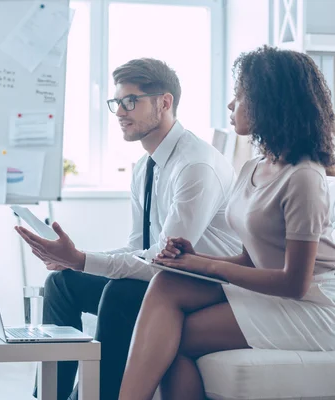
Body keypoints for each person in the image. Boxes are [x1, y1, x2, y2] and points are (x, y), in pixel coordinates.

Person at [118, 45, 335, 400]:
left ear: (270, 101)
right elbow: (250, 261)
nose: (231, 105)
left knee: (170, 340)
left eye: (240, 95)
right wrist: (189, 260)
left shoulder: (304, 178)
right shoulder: (253, 167)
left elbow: (295, 283)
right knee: (166, 284)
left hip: (316, 305)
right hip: (276, 291)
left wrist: (205, 265)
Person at [16, 58, 241, 400]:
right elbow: (139, 246)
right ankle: (50, 396)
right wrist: (77, 262)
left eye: (131, 101)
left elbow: (167, 261)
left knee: (121, 293)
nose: (120, 111)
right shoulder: (144, 167)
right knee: (62, 284)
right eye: (117, 102)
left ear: (164, 103)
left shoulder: (195, 165)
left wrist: (82, 258)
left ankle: (100, 395)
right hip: (165, 276)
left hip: (201, 286)